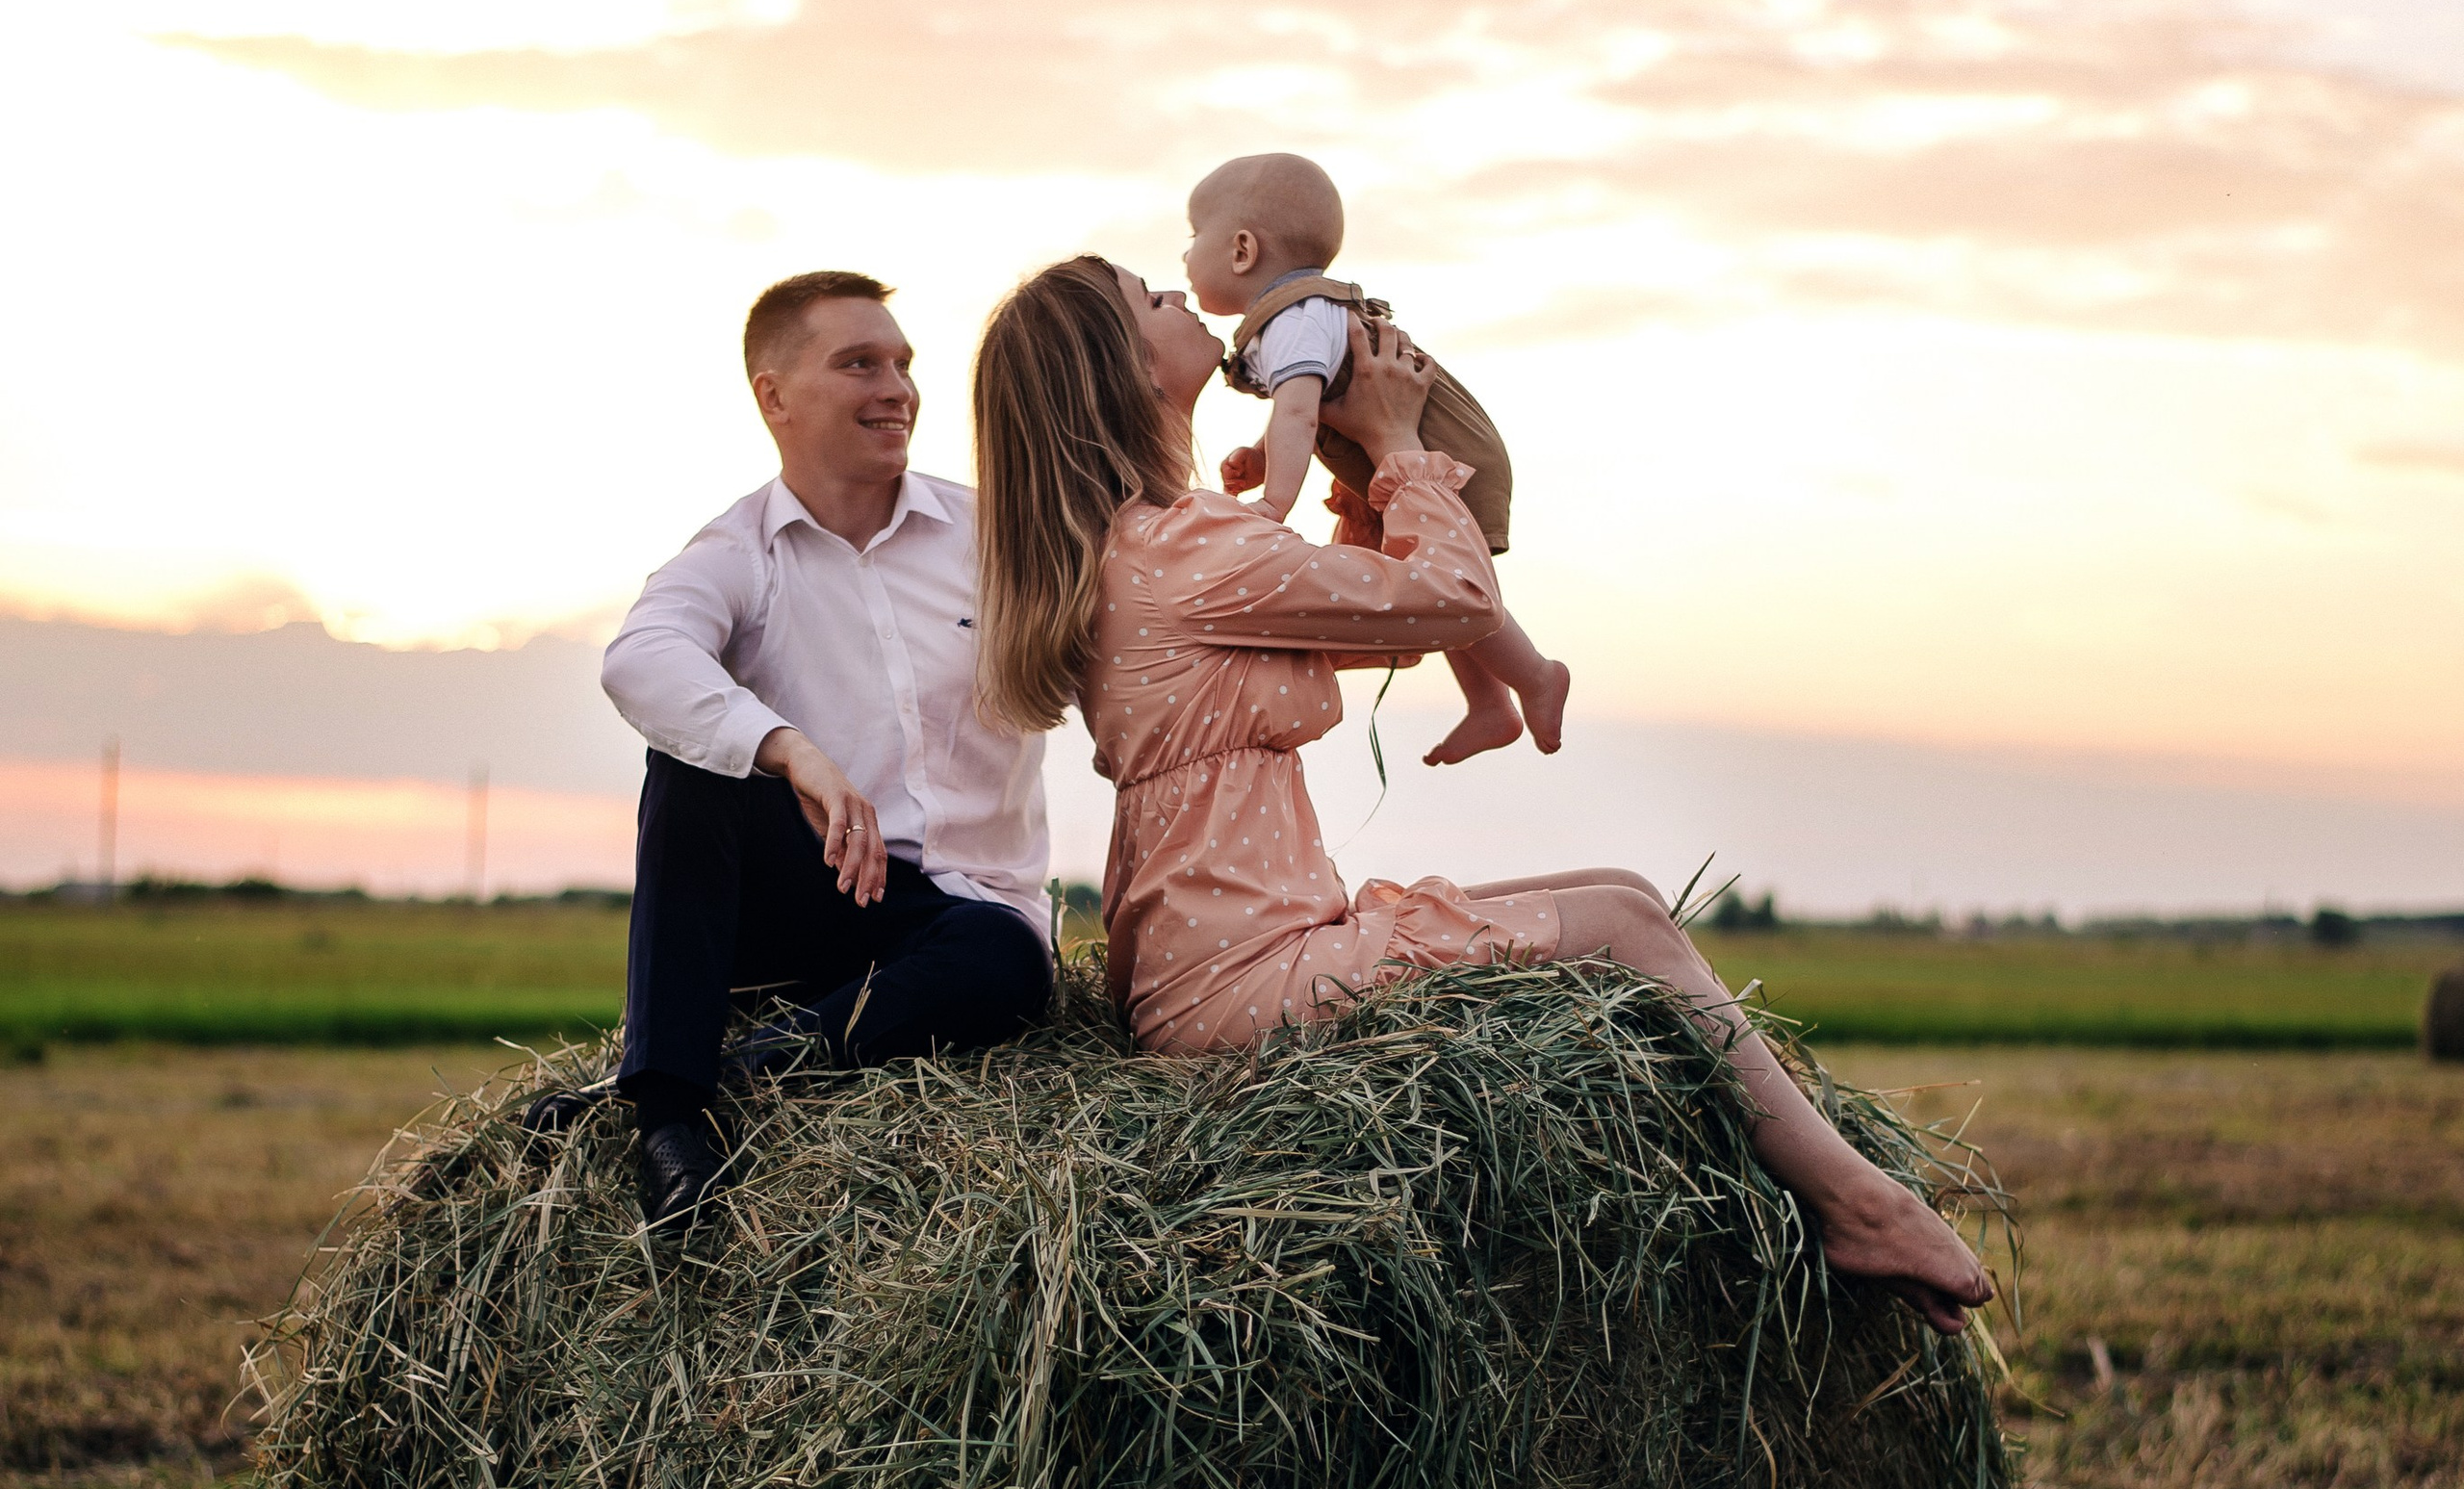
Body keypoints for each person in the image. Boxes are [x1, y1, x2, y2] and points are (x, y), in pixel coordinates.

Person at [969, 254, 1991, 1339]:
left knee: (1624, 893)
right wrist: (1398, 442)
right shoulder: (1185, 546)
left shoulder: (1146, 551)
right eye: (1152, 298)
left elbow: (1378, 621)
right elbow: (1453, 599)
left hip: (1220, 967)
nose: (1182, 299)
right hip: (1243, 983)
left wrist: (1361, 488)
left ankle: (1824, 1176)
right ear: (1124, 368)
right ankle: (1857, 1202)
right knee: (1627, 929)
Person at [596, 269, 1053, 1231]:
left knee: (1006, 959)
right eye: (859, 364)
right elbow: (640, 657)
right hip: (822, 899)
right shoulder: (739, 550)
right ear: (775, 396)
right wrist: (785, 748)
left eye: (902, 364)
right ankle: (669, 1125)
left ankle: (737, 1070)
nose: (898, 389)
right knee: (691, 763)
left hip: (964, 921)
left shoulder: (994, 534)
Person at [1184, 148, 1569, 768]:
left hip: (1442, 456)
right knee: (1436, 583)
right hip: (1420, 452)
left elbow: (1299, 414)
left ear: (1242, 250)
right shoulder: (1298, 317)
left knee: (1453, 586)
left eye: (1194, 236)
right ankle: (1491, 703)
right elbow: (1300, 406)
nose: (1185, 256)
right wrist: (1260, 453)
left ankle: (1536, 676)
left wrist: (1276, 500)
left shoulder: (1294, 318)